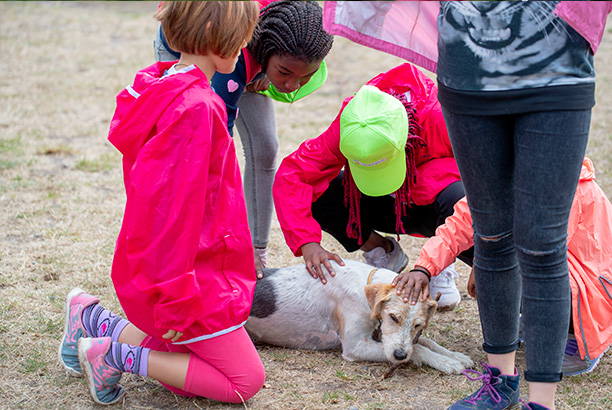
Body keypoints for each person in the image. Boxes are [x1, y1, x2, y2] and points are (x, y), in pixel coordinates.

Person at [57, 2, 266, 405]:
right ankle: (111, 354)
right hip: (194, 277)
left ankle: (91, 320)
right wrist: (175, 300)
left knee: (182, 356)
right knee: (244, 381)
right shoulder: (197, 108)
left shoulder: (164, 86)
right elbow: (173, 215)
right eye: (240, 40)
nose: (243, 50)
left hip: (184, 269)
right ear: (213, 35)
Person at [432, 3, 611, 410]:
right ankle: (500, 383)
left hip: (557, 71)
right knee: (492, 236)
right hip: (467, 70)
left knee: (543, 248)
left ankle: (542, 404)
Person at [273, 62, 473, 310]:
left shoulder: (443, 119)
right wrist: (307, 243)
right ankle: (382, 251)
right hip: (389, 205)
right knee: (319, 191)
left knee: (465, 197)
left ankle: (444, 261)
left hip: (437, 206)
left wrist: (486, 258)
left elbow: (491, 183)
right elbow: (293, 174)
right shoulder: (351, 124)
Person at [154, 0, 334, 273]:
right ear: (264, 50)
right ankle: (193, 251)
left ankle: (257, 249)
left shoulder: (295, 34)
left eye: (304, 77)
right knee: (193, 156)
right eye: (284, 73)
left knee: (265, 148)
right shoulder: (232, 63)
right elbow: (217, 158)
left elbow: (287, 67)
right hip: (189, 45)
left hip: (250, 54)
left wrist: (267, 71)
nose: (290, 86)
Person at [393, 156, 612, 377]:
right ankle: (539, 320)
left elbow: (541, 250)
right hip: (560, 272)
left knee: (529, 270)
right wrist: (423, 269)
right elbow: (458, 226)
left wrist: (482, 264)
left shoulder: (565, 185)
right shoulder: (502, 178)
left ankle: (580, 342)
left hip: (594, 290)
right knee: (497, 260)